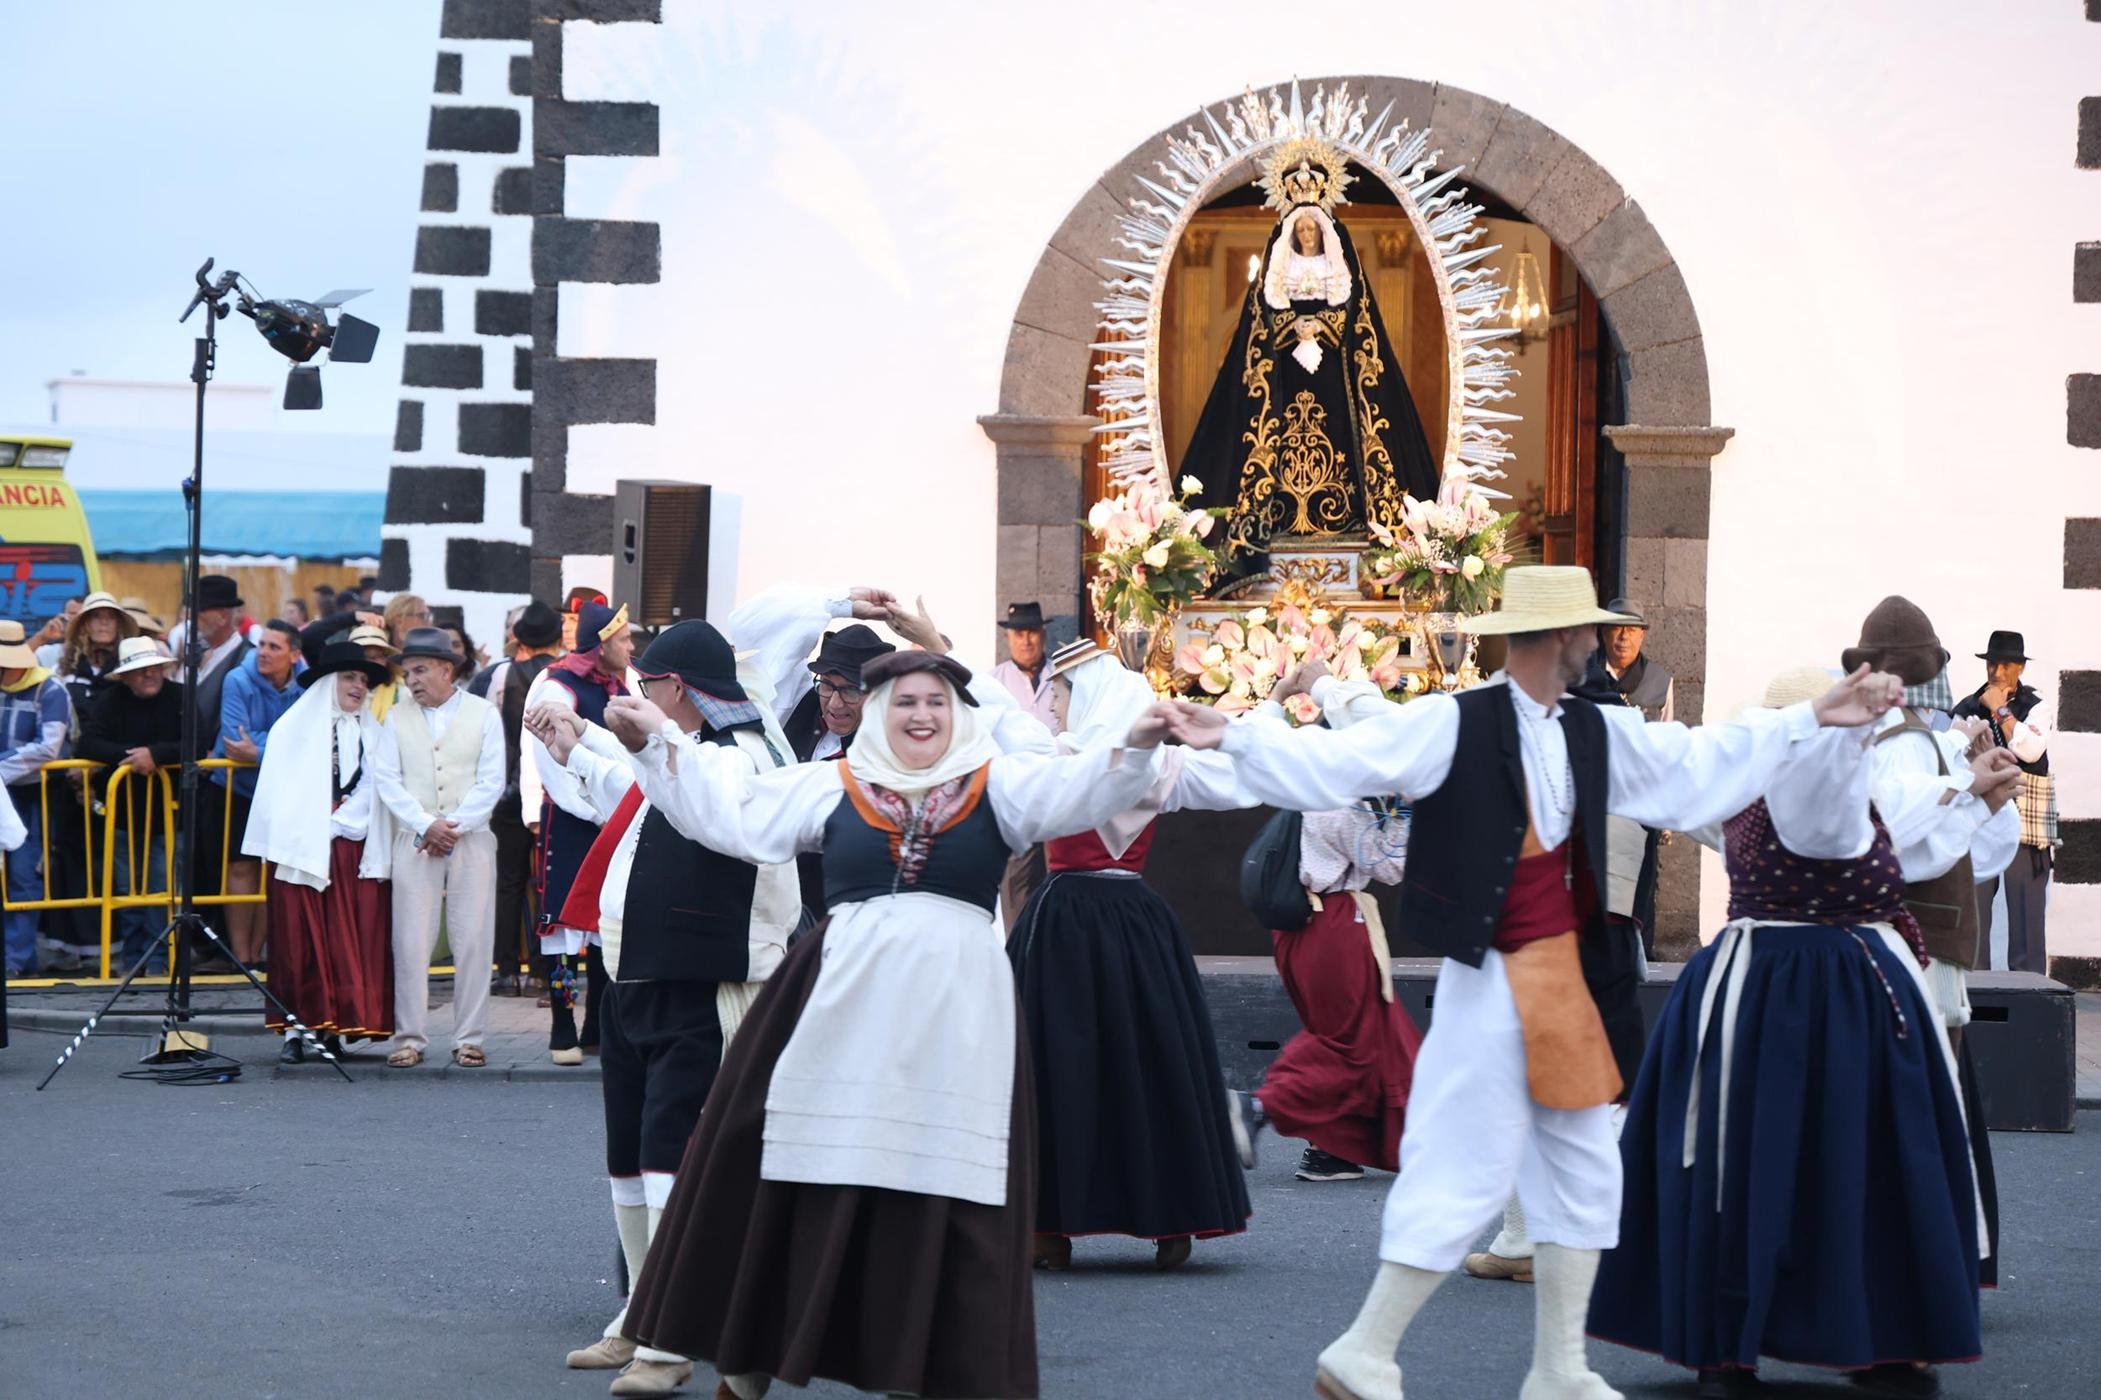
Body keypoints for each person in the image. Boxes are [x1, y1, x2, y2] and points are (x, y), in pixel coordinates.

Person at [1158, 566, 1904, 1400]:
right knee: (1465, 1158)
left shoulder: (1588, 729)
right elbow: (1344, 758)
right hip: (1497, 979)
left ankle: (1559, 1367)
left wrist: (1811, 719)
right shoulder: (1455, 720)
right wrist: (1231, 736)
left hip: (1557, 979)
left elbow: (1693, 758)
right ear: (1556, 639)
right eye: (1588, 631)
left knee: (1583, 1165)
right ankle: (1368, 1349)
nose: (1598, 643)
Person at [613, 649, 1170, 1399]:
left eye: (936, 702)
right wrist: (656, 741)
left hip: (955, 1015)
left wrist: (1136, 741)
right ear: (879, 712)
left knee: (935, 1182)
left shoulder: (999, 785)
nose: (921, 716)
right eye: (906, 702)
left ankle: (924, 1364)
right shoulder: (832, 785)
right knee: (798, 1165)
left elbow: (1081, 786)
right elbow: (733, 813)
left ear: (958, 713)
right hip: (841, 1001)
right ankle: (746, 1361)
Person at [1591, 665, 1983, 1400]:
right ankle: (1854, 1335)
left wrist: (1965, 789)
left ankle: (1739, 1339)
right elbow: (1835, 816)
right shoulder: (1815, 782)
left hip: (1783, 975)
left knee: (1758, 1153)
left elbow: (1897, 827)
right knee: (1831, 1151)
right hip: (1817, 979)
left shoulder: (1744, 791)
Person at [528, 620, 804, 1397]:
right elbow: (643, 795)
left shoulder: (743, 756)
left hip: (703, 978)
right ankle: (642, 1319)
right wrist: (576, 746)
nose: (635, 697)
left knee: (671, 1158)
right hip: (639, 973)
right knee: (630, 1155)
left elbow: (708, 807)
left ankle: (672, 1336)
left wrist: (620, 743)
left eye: (645, 687)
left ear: (676, 691)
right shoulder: (686, 753)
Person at [1008, 643, 1260, 1271]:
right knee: (1154, 1057)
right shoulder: (1162, 767)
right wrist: (1272, 714)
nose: (1053, 707)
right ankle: (1171, 1219)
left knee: (1053, 1061)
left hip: (1062, 921)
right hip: (1137, 922)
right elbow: (1239, 781)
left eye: (1061, 695)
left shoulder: (1056, 759)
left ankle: (1049, 1224)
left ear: (1086, 696)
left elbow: (993, 720)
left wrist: (939, 652)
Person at [1849, 598, 2019, 1299]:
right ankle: (1931, 1265)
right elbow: (1903, 851)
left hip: (1926, 955)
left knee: (1942, 1108)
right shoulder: (1899, 745)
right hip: (1910, 960)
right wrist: (1975, 796)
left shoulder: (1914, 742)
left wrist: (1982, 794)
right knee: (1926, 1113)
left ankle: (1949, 1261)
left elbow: (1977, 853)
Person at [1184, 185, 1439, 567]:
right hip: (1283, 373)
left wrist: (1322, 326)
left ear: (1323, 233)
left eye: (1311, 230)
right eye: (1300, 229)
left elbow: (1354, 315)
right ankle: (1277, 514)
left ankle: (1346, 517)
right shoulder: (1277, 273)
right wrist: (1292, 326)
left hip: (1333, 371)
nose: (1306, 235)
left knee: (1344, 433)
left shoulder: (1337, 270)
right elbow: (1264, 316)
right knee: (1275, 435)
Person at [1245, 662, 1423, 1186]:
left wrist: (1278, 694)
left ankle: (1335, 1150)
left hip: (1304, 931)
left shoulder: (1304, 777)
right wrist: (1414, 809)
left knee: (1379, 1037)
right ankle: (1258, 1108)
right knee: (1351, 1043)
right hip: (1333, 930)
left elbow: (1261, 738)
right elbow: (1393, 867)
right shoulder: (1340, 803)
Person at [242, 642, 397, 1063]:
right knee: (300, 942)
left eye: (364, 681)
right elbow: (282, 794)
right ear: (329, 681)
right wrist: (314, 824)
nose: (359, 688)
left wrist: (340, 821)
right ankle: (295, 1029)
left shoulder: (374, 732)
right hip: (300, 852)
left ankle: (335, 1027)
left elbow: (378, 786)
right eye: (350, 678)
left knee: (346, 940)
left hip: (350, 849)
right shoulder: (291, 730)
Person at [369, 627, 505, 1069]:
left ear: (448, 670)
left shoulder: (484, 713)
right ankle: (409, 1036)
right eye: (408, 672)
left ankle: (470, 1036)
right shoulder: (396, 716)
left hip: (472, 838)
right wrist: (427, 823)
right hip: (416, 836)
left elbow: (492, 779)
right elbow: (387, 778)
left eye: (421, 670)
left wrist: (455, 826)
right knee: (409, 939)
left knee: (473, 938)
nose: (412, 680)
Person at [525, 599, 633, 1064]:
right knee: (565, 923)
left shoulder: (624, 685)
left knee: (604, 919)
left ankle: (597, 1025)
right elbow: (554, 761)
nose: (632, 646)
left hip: (613, 817)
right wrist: (597, 809)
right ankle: (562, 1025)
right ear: (604, 643)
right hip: (573, 822)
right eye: (625, 639)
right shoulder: (555, 687)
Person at [75, 638, 199, 974]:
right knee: (126, 890)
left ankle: (159, 962)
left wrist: (156, 755)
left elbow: (199, 741)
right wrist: (132, 756)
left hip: (170, 814)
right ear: (125, 676)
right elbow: (87, 742)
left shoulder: (181, 696)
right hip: (124, 813)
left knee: (162, 890)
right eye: (140, 670)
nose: (149, 675)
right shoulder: (109, 700)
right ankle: (133, 961)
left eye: (154, 667)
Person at [41, 591, 140, 972]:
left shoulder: (128, 666)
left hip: (115, 777)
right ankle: (71, 946)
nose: (102, 624)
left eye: (110, 618)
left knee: (111, 858)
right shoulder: (65, 667)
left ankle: (112, 946)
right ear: (83, 624)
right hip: (67, 781)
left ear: (118, 625)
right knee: (70, 857)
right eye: (95, 617)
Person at [1953, 630, 2056, 974]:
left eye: (2006, 664)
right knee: (1975, 914)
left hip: (2025, 817)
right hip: (1981, 818)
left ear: (2021, 668)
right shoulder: (1966, 707)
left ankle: (2030, 996)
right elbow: (1954, 755)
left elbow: (2029, 749)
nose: (1997, 671)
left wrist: (1998, 708)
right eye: (1992, 663)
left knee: (2027, 913)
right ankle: (1975, 995)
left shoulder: (2038, 707)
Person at [474, 600, 561, 995]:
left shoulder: (496, 676)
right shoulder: (564, 676)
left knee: (508, 883)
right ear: (558, 638)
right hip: (551, 795)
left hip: (505, 794)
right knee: (547, 883)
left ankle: (506, 971)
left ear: (518, 638)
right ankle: (544, 973)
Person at [210, 619, 304, 968]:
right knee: (240, 868)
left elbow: (304, 742)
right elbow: (236, 743)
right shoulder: (236, 679)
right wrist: (277, 748)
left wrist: (260, 751)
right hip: (236, 786)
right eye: (261, 644)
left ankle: (259, 950)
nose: (263, 652)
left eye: (273, 647)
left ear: (294, 655)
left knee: (273, 868)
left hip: (280, 788)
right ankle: (241, 955)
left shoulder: (308, 684)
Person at [180, 575, 255, 915]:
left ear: (222, 615)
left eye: (200, 612)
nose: (192, 619)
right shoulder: (198, 657)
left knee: (223, 862)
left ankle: (220, 941)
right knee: (200, 860)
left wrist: (217, 754)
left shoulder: (246, 660)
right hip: (199, 780)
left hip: (225, 780)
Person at [0, 619, 71, 978]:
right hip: (11, 790)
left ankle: (16, 959)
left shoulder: (50, 689)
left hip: (32, 795)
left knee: (24, 876)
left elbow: (48, 746)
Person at [991, 601, 1057, 933]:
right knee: (1016, 882)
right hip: (1017, 793)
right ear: (1008, 638)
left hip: (1059, 789)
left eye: (1032, 632)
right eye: (1019, 633)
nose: (1026, 640)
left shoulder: (1063, 676)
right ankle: (1018, 952)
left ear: (1043, 635)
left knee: (1060, 876)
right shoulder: (994, 681)